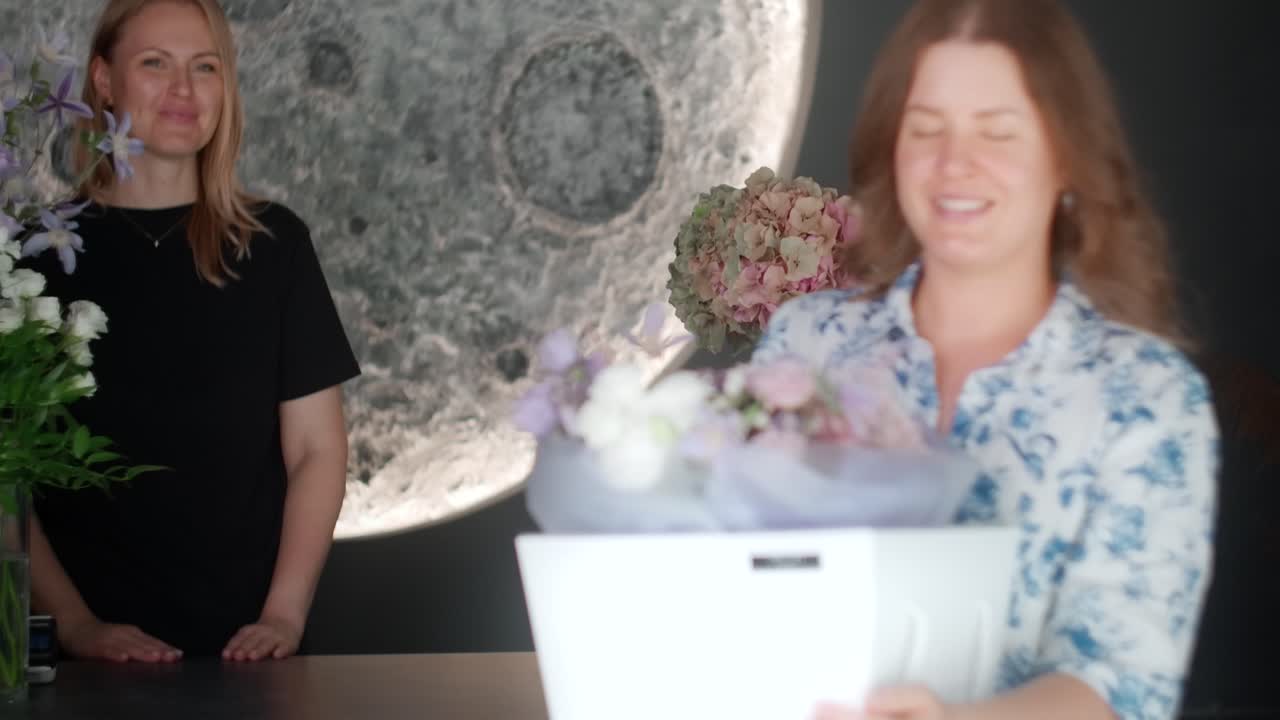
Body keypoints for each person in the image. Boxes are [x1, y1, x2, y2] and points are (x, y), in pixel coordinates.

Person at [750, 1, 1218, 719]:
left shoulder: (1148, 398)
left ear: (1067, 155)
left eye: (997, 132)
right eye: (926, 129)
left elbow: (1122, 684)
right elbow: (739, 590)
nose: (953, 165)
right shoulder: (805, 347)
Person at [21, 0, 360, 663]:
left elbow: (317, 450)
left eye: (205, 67)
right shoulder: (33, 255)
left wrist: (283, 619)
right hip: (80, 670)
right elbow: (10, 477)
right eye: (155, 63)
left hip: (250, 658)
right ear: (103, 79)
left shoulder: (274, 246)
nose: (183, 90)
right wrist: (74, 625)